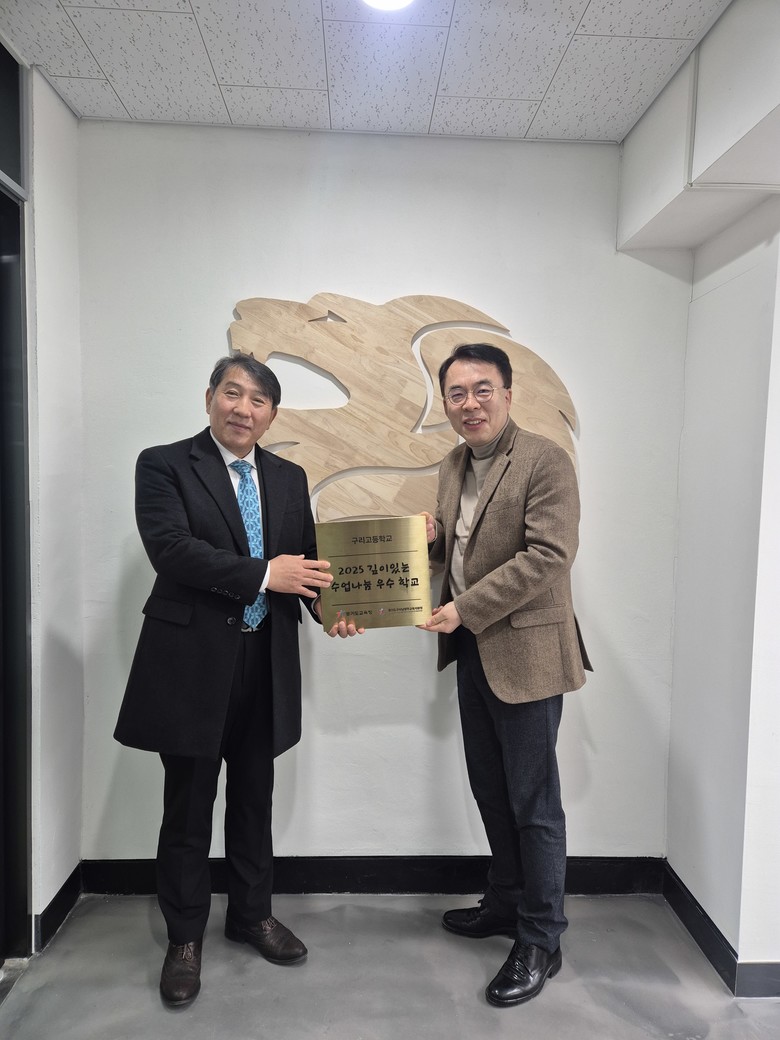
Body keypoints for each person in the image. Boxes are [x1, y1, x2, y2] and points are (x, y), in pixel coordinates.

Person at [114, 353, 360, 1008]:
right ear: (209, 398)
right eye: (232, 393)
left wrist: (331, 609)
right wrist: (263, 574)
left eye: (258, 400)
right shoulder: (164, 465)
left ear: (272, 414)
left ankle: (252, 916)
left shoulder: (288, 476)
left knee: (255, 798)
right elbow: (171, 550)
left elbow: (307, 563)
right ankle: (184, 939)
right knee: (188, 807)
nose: (243, 409)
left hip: (265, 659)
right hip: (193, 663)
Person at [419, 343, 590, 1008]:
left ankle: (541, 937)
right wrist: (427, 542)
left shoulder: (545, 459)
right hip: (472, 652)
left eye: (482, 389)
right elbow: (461, 544)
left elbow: (549, 555)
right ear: (445, 402)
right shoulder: (452, 463)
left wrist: (464, 609)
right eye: (457, 393)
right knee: (491, 789)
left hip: (527, 655)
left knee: (534, 804)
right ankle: (506, 901)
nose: (470, 404)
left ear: (508, 394)